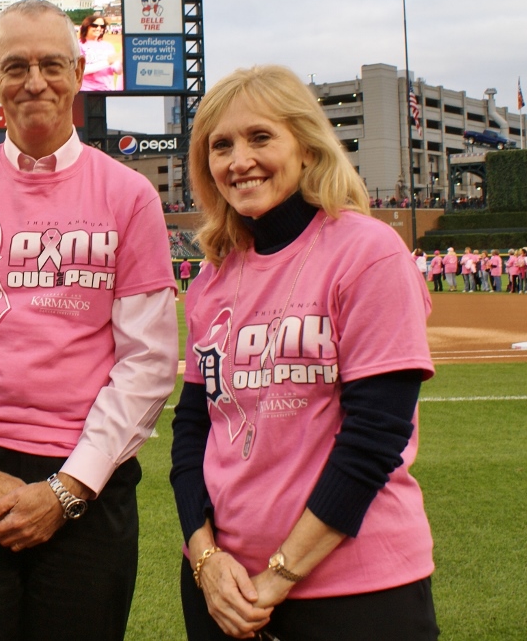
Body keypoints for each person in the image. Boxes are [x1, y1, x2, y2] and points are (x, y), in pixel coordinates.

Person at [0, 0, 179, 641]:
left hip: (89, 483)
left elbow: (149, 362)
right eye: (15, 65)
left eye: (51, 63)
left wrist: (69, 489)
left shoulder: (130, 197)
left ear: (78, 71)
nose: (34, 81)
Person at [170, 65, 438, 641]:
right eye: (221, 145)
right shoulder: (212, 279)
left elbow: (374, 438)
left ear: (308, 148)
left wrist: (278, 577)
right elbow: (191, 432)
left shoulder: (367, 252)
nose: (239, 160)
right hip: (223, 592)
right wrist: (206, 561)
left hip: (356, 593)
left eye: (260, 137)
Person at [78, 14, 123, 92]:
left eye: (102, 26)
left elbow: (117, 71)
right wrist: (108, 62)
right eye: (94, 25)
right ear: (86, 26)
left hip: (107, 90)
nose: (99, 28)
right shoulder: (78, 45)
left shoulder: (108, 46)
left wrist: (122, 61)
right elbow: (81, 71)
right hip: (86, 90)